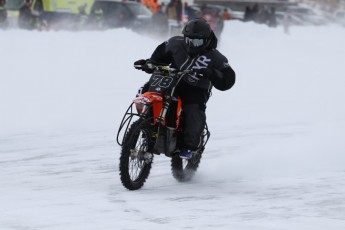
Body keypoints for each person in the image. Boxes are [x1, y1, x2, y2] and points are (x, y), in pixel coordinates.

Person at [134, 18, 236, 159]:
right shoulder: (175, 43)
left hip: (196, 88)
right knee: (146, 88)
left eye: (197, 42)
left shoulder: (216, 57)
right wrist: (149, 64)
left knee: (194, 110)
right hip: (171, 79)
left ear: (206, 40)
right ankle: (146, 124)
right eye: (189, 40)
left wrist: (210, 73)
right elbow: (159, 56)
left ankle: (189, 146)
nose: (192, 45)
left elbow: (228, 79)